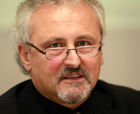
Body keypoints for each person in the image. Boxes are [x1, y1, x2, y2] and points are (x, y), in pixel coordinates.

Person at [0, 0, 140, 113]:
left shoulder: (134, 104)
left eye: (84, 43)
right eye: (55, 45)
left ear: (101, 51)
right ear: (26, 56)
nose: (74, 61)